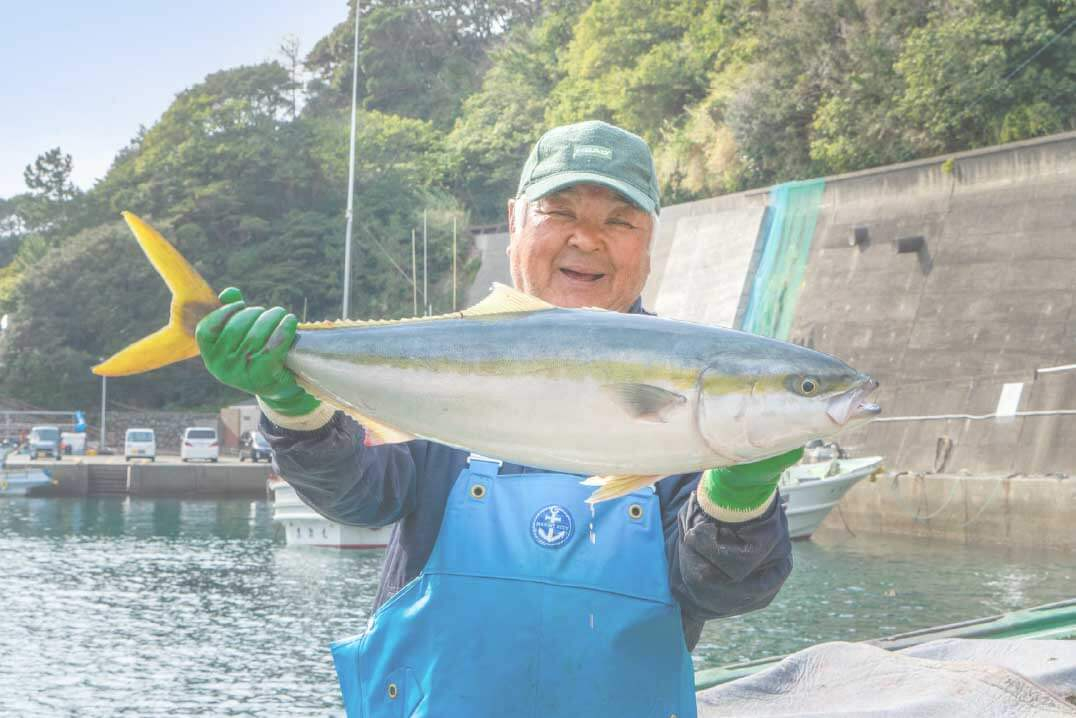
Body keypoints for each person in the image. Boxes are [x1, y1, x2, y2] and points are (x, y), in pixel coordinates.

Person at [196, 120, 797, 717]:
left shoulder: (693, 388)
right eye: (560, 212)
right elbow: (359, 495)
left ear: (649, 242)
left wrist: (737, 499)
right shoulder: (439, 360)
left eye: (619, 221)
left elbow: (721, 588)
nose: (587, 239)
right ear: (514, 222)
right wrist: (294, 405)